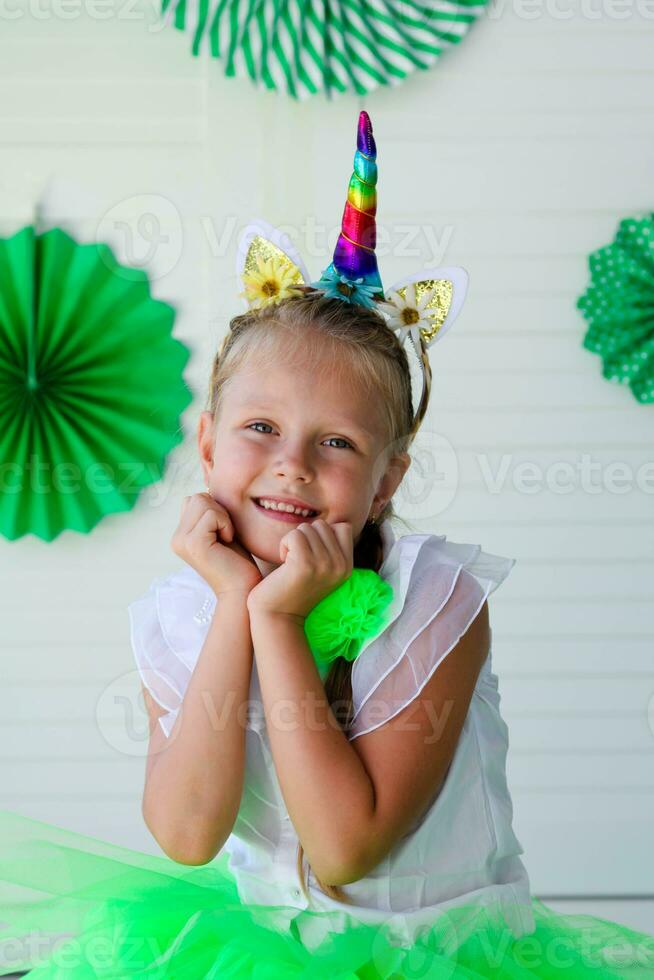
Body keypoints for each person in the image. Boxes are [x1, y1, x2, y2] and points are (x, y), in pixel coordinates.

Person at [1, 111, 652, 979]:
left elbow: (345, 849)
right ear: (206, 444)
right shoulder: (180, 615)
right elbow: (189, 834)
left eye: (337, 443)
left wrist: (278, 622)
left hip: (443, 959)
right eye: (260, 427)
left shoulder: (439, 598)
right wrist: (237, 604)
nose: (293, 467)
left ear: (386, 480)